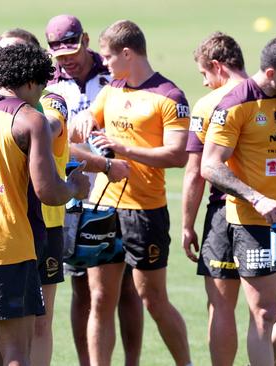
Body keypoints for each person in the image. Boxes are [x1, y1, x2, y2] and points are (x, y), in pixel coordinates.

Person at [0, 43, 90, 366]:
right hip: (9, 249)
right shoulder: (29, 120)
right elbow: (48, 192)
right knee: (15, 354)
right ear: (32, 83)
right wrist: (75, 187)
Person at [75, 20, 192, 365]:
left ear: (128, 53)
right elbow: (88, 123)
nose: (105, 63)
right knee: (100, 299)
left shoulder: (169, 97)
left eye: (110, 57)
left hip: (146, 211)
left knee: (153, 299)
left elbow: (177, 155)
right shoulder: (112, 89)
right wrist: (84, 119)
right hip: (104, 209)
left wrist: (122, 148)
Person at [202, 36, 276, 365]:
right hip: (252, 222)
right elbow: (210, 165)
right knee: (264, 313)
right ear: (271, 72)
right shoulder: (235, 104)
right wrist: (256, 198)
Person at [45, 14, 140, 366]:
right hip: (74, 195)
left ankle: (131, 362)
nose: (66, 59)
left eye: (71, 50)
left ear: (85, 40)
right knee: (81, 287)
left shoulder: (113, 72)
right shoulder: (49, 83)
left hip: (120, 193)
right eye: (58, 54)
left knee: (123, 286)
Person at [181, 32, 247, 366]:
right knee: (267, 309)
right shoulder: (271, 96)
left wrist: (187, 226)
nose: (205, 84)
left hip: (225, 212)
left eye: (204, 75)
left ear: (218, 67)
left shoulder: (208, 105)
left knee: (220, 306)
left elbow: (194, 172)